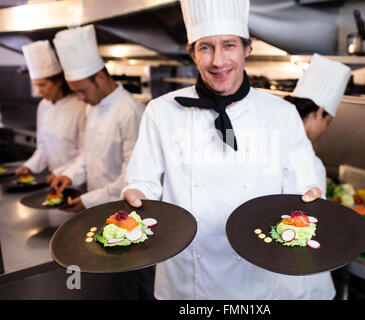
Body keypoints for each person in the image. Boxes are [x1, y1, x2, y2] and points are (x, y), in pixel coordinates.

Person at [122, 0, 333, 300]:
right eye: (206, 47)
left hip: (257, 281)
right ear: (193, 53)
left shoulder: (281, 114)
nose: (218, 61)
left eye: (229, 45)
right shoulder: (161, 112)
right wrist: (136, 196)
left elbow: (302, 191)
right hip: (187, 282)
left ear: (248, 49)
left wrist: (310, 200)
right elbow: (143, 183)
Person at [50, 24, 144, 212]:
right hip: (95, 204)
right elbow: (88, 154)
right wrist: (69, 175)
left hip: (121, 206)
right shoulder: (92, 106)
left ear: (100, 77)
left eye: (82, 90)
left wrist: (90, 200)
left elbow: (132, 175)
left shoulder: (130, 112)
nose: (80, 98)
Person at [16, 40, 86, 184]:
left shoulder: (80, 106)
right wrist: (29, 166)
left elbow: (86, 153)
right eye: (36, 85)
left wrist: (64, 173)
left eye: (43, 85)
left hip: (77, 180)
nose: (39, 91)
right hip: (54, 179)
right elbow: (43, 147)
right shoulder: (43, 105)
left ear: (58, 82)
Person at [284, 53, 351, 192]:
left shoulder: (270, 134)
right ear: (319, 112)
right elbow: (312, 210)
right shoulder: (311, 164)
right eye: (327, 122)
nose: (324, 130)